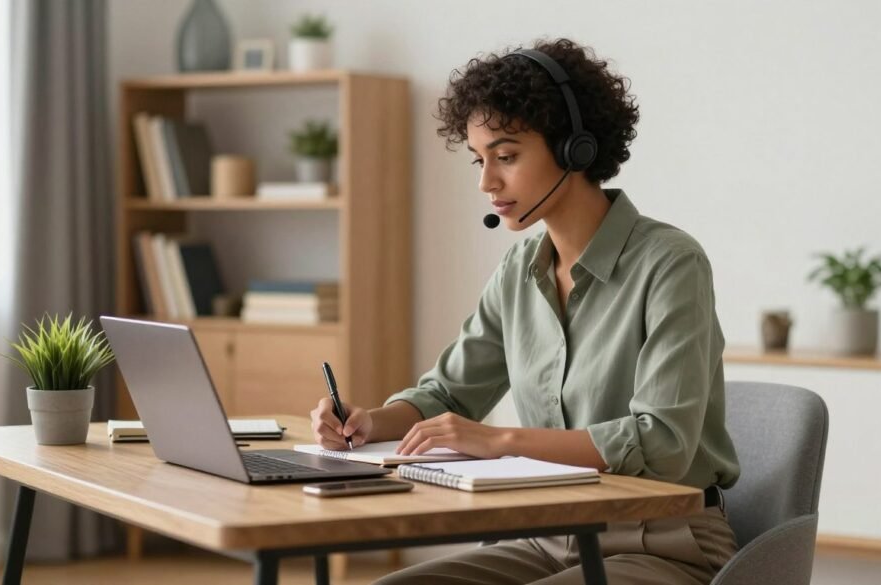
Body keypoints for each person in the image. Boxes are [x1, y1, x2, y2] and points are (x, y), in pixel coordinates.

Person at [311, 38, 740, 585]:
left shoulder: (670, 262)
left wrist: (499, 440)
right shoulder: (520, 269)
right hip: (546, 536)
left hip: (661, 543)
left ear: (574, 149)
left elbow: (662, 443)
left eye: (506, 157)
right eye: (479, 159)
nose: (486, 182)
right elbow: (447, 394)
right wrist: (370, 422)